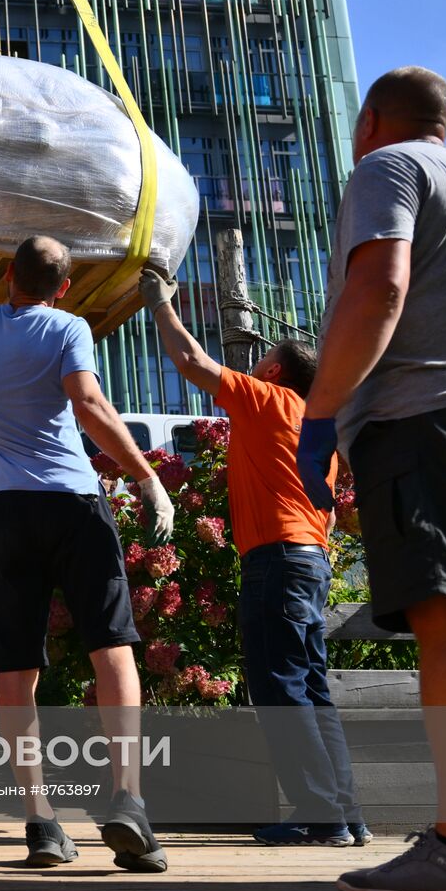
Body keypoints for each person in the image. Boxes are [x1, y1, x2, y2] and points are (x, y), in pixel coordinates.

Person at [0, 234, 176, 873]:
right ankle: (128, 800)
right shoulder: (68, 327)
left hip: (10, 513)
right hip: (74, 504)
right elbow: (88, 404)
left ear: (7, 277)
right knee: (111, 647)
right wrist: (146, 478)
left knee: (16, 666)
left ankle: (41, 822)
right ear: (65, 287)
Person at [297, 66, 446, 891]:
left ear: (369, 120)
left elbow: (380, 286)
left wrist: (321, 412)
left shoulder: (387, 167)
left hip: (420, 421)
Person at [140, 271, 369, 847]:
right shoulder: (316, 429)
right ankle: (345, 815)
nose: (252, 364)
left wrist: (161, 304)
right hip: (310, 562)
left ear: (273, 372)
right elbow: (330, 515)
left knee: (280, 688)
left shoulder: (267, 400)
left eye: (261, 358)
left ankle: (320, 814)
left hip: (278, 561)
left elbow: (191, 361)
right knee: (310, 688)